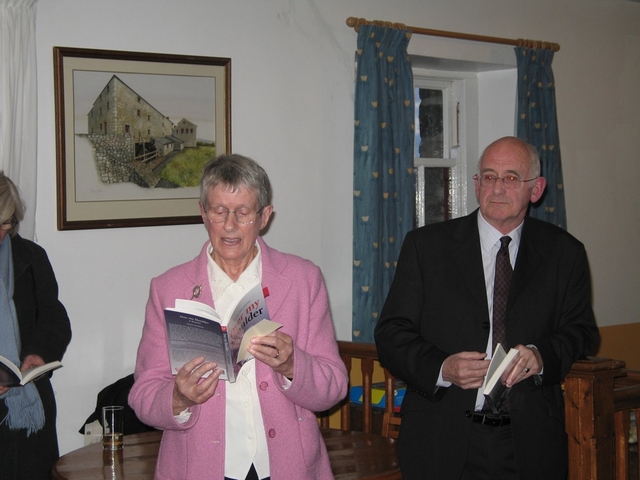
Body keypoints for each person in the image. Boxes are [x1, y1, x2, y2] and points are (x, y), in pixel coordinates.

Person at [374, 136, 600, 480]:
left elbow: (582, 333)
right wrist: (442, 368)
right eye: (489, 177)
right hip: (441, 438)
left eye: (511, 178)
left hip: (530, 440)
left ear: (536, 189)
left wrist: (541, 356)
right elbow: (391, 334)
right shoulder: (427, 247)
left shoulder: (564, 253)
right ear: (477, 184)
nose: (497, 188)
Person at [129, 154, 348, 480]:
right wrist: (177, 397)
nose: (230, 226)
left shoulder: (303, 280)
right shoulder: (168, 288)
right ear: (202, 212)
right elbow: (143, 394)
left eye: (243, 213)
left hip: (289, 467)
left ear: (265, 217)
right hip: (199, 468)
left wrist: (292, 366)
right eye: (219, 212)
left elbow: (334, 388)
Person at [0, 172, 72, 480]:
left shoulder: (30, 257)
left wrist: (38, 354)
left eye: (6, 224)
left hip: (29, 411)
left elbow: (54, 319)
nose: (1, 234)